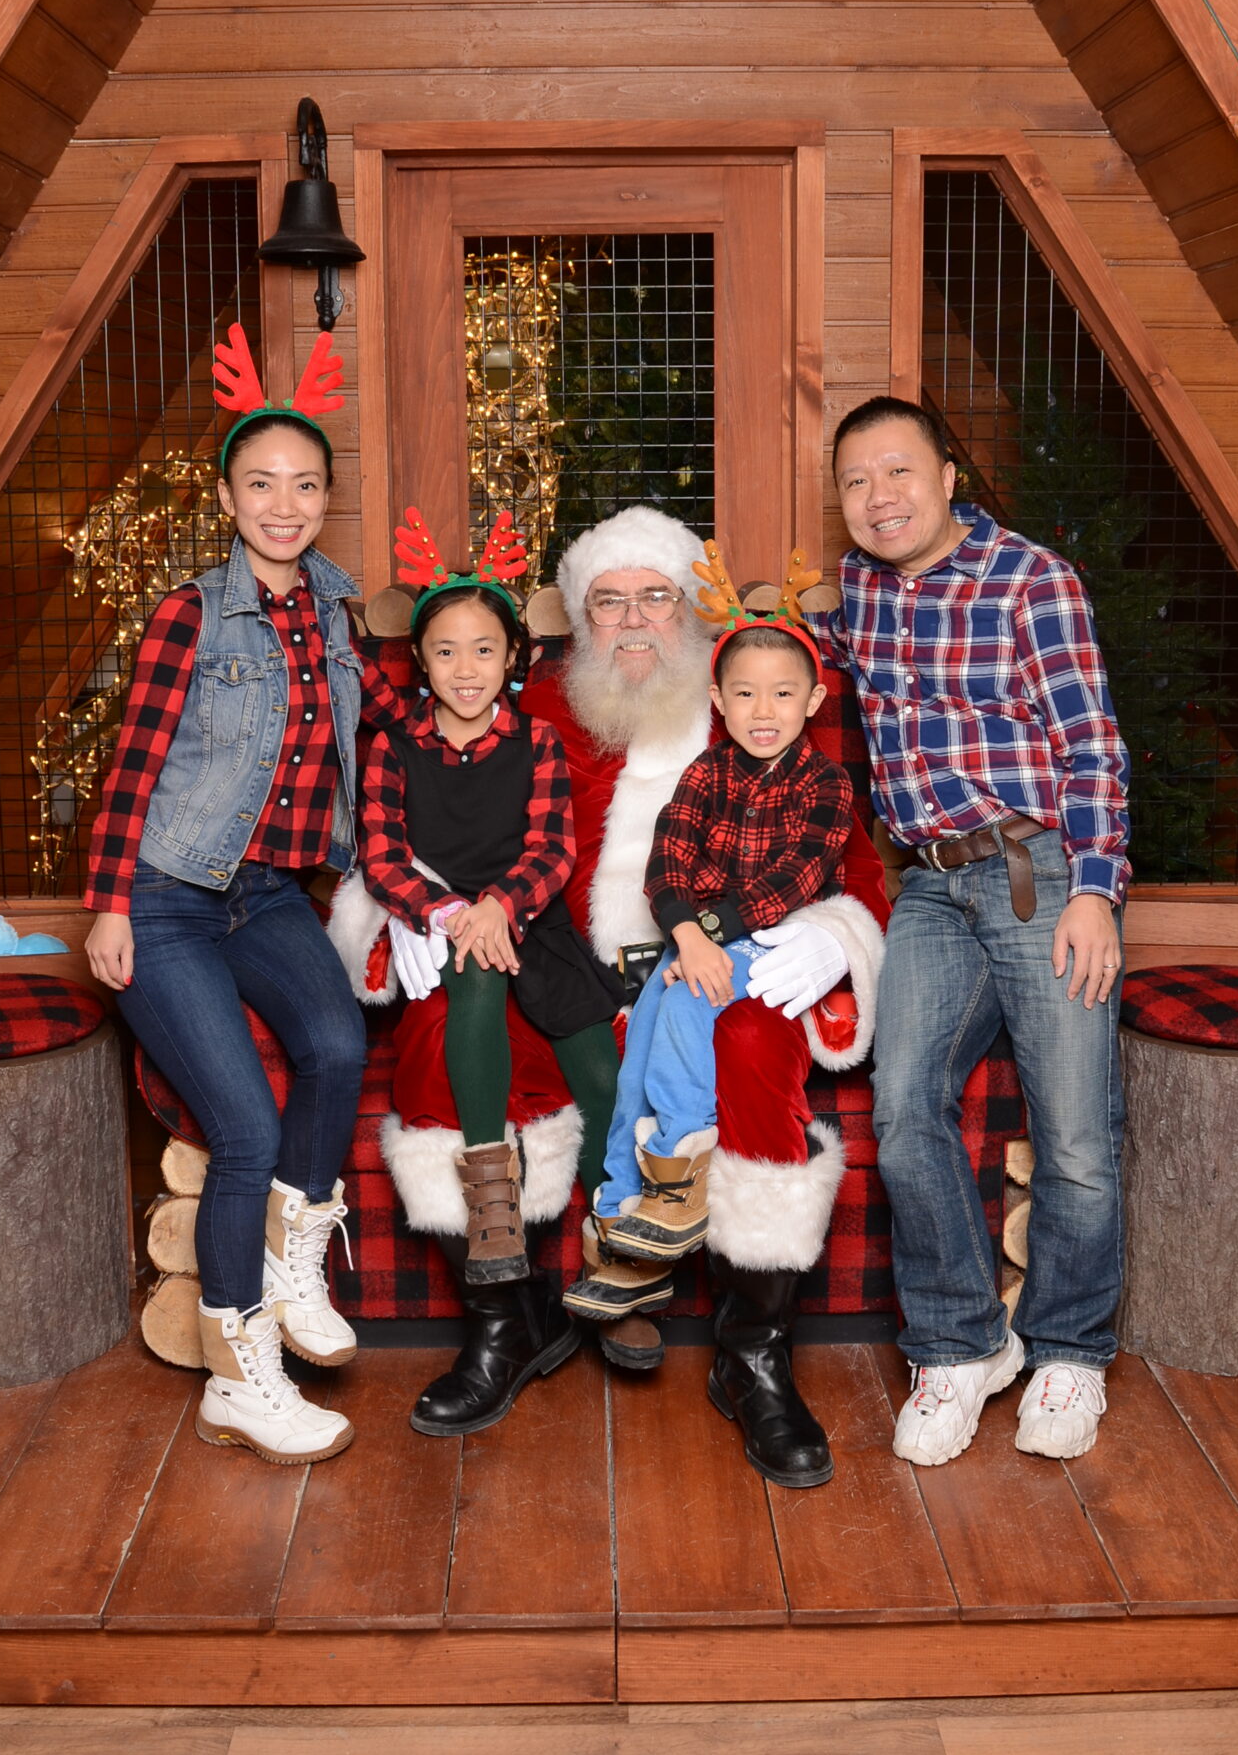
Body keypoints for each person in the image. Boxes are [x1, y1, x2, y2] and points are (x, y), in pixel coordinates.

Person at [331, 504, 885, 1485]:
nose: (632, 620)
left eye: (655, 597)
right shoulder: (532, 712)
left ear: (692, 614)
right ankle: (505, 1323)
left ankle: (753, 1356)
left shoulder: (750, 703)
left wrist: (831, 934)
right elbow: (421, 824)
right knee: (437, 1033)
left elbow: (854, 869)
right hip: (546, 961)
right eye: (608, 601)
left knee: (756, 1049)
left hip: (715, 973)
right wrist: (401, 913)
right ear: (577, 622)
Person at [84, 327, 388, 1468]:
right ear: (225, 497)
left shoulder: (337, 615)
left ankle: (293, 1259)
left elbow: (367, 739)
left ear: (325, 500)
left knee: (336, 1046)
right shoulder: (192, 614)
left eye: (304, 485)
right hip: (166, 897)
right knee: (245, 1128)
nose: (283, 504)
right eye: (260, 483)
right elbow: (133, 765)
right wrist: (109, 903)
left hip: (266, 894)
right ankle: (237, 1377)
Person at [819, 397, 1129, 1467]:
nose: (878, 498)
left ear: (949, 477)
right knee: (904, 1106)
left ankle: (1071, 1351)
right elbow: (804, 646)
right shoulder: (860, 587)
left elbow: (1092, 745)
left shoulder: (1032, 581)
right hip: (930, 886)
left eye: (898, 471)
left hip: (1041, 870)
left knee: (1075, 1131)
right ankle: (959, 1345)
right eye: (855, 481)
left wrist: (1096, 889)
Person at [574, 555, 854, 1486]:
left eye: (782, 694)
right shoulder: (706, 773)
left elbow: (794, 880)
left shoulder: (824, 785)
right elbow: (669, 863)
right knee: (643, 1039)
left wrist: (707, 936)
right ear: (719, 701)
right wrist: (685, 930)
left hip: (766, 946)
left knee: (692, 1009)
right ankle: (624, 1201)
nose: (762, 710)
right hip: (695, 938)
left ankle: (680, 1160)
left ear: (814, 701)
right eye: (744, 694)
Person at [357, 509, 623, 1433]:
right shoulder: (394, 748)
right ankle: (491, 1201)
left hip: (529, 921)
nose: (464, 669)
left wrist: (501, 905)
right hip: (448, 925)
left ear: (514, 657)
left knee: (601, 1069)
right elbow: (382, 854)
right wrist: (445, 914)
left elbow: (552, 848)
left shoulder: (534, 743)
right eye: (444, 652)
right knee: (471, 976)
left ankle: (614, 1256)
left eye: (483, 649)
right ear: (420, 663)